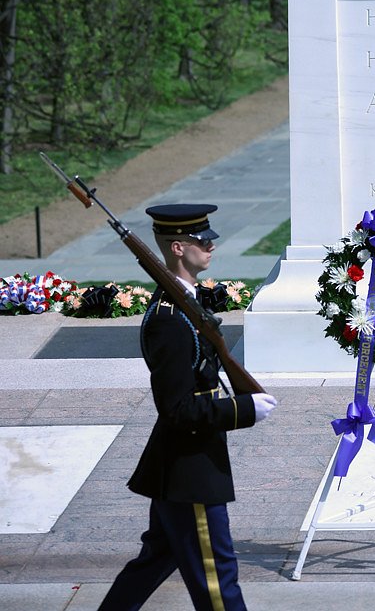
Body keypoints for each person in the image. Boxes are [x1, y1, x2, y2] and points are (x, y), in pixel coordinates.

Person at [98, 203, 277, 611]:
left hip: (180, 468)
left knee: (154, 563)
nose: (210, 248)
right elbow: (176, 409)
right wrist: (243, 410)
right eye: (202, 242)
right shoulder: (168, 320)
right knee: (217, 581)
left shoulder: (186, 305)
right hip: (190, 469)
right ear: (178, 248)